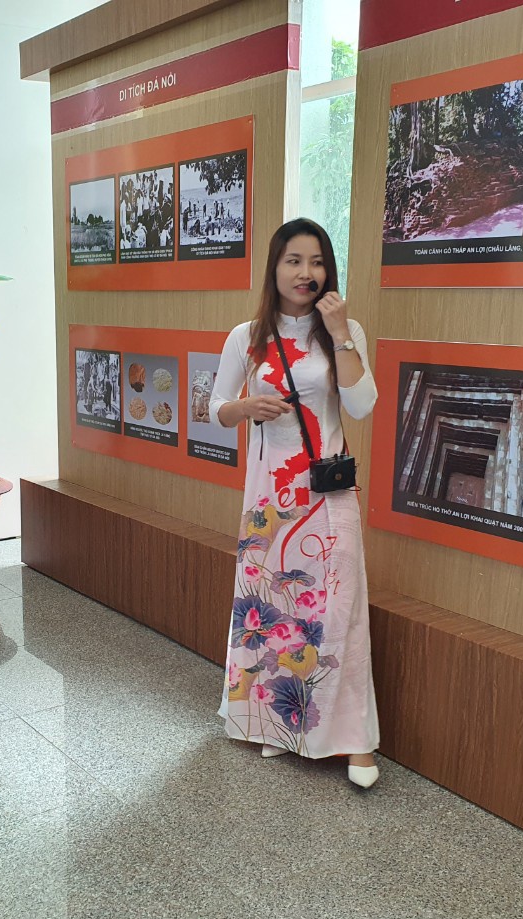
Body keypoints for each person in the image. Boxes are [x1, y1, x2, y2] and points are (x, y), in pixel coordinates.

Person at [209, 218, 380, 789]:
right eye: (294, 261)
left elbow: (361, 405)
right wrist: (245, 408)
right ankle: (280, 726)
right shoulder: (246, 336)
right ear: (275, 268)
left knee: (339, 610)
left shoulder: (343, 330)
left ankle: (355, 742)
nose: (307, 273)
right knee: (273, 607)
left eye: (317, 261)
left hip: (327, 495)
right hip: (268, 497)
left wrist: (340, 331)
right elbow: (214, 408)